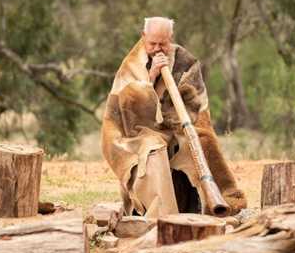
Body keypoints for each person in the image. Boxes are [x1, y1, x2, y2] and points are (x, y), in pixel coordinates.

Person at [101, 17, 246, 217]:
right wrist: (150, 78)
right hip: (138, 132)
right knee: (153, 149)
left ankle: (208, 208)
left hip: (178, 127)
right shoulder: (132, 65)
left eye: (163, 43)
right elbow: (125, 112)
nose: (158, 49)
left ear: (171, 38)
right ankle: (163, 217)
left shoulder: (186, 61)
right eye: (152, 43)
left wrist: (181, 126)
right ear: (144, 37)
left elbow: (197, 107)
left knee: (201, 142)